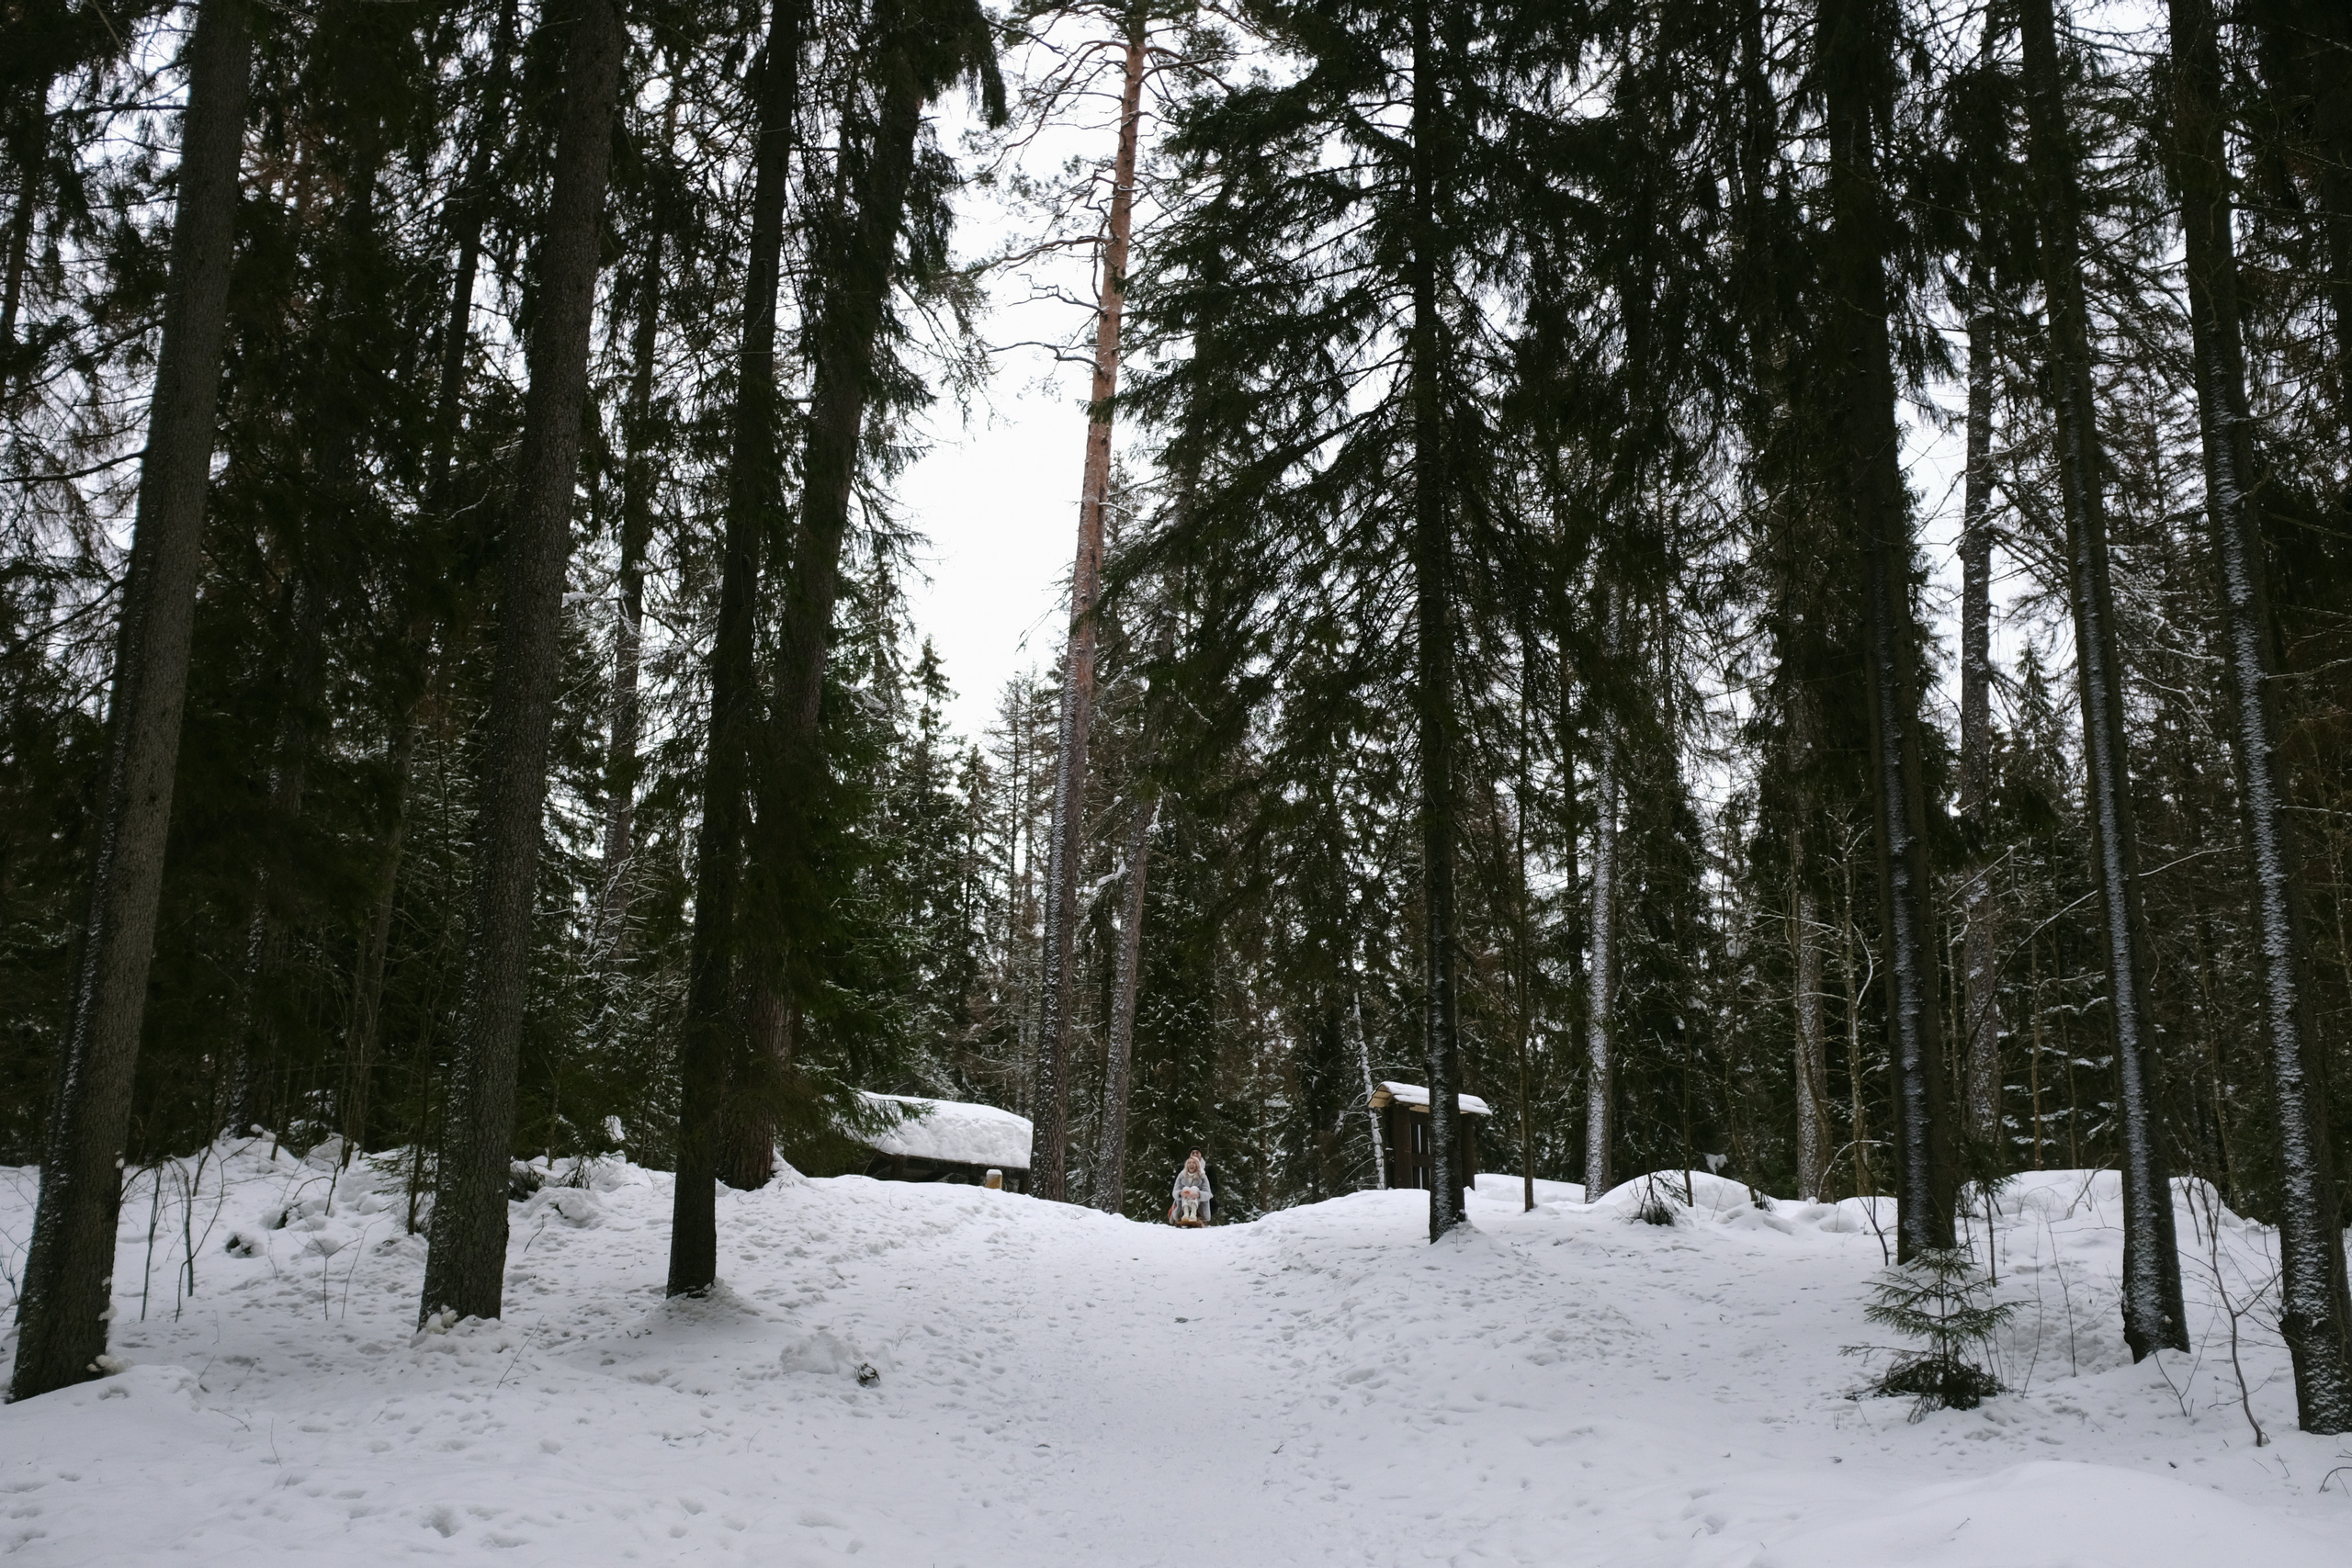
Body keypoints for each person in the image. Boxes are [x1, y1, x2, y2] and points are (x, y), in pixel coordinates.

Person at [1169, 1150, 1212, 1225]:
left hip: (1199, 1205)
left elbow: (1208, 1194)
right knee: (1185, 1189)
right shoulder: (1181, 1176)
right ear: (1186, 1165)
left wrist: (1198, 1195)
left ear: (1197, 1165)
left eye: (1194, 1163)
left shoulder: (1203, 1176)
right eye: (1189, 1163)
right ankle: (1185, 1214)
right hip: (1183, 1202)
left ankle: (1193, 1214)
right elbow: (1175, 1192)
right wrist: (1181, 1193)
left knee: (1194, 1189)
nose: (1191, 1165)